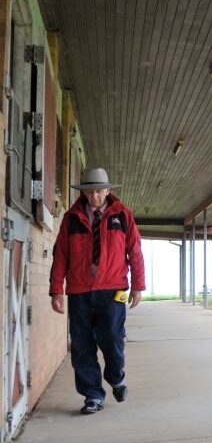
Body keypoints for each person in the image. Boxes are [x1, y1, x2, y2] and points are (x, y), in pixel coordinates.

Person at [49, 168, 145, 414]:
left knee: (112, 339)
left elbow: (134, 251)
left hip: (112, 290)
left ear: (108, 190)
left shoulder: (122, 215)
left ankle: (115, 378)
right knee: (82, 345)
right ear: (84, 193)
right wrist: (56, 289)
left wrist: (138, 287)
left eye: (99, 191)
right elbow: (61, 255)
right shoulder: (71, 218)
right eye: (90, 192)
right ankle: (92, 395)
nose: (95, 196)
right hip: (80, 290)